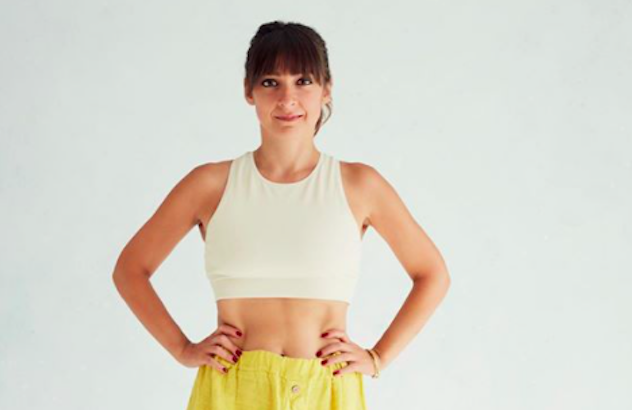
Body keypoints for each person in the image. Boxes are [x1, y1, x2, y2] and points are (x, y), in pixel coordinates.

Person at [113, 20, 451, 410]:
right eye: (270, 82)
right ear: (249, 91)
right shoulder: (210, 184)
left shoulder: (359, 185)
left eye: (303, 81)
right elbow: (130, 269)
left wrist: (378, 358)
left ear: (326, 88)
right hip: (233, 390)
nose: (287, 99)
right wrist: (182, 349)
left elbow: (432, 274)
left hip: (327, 390)